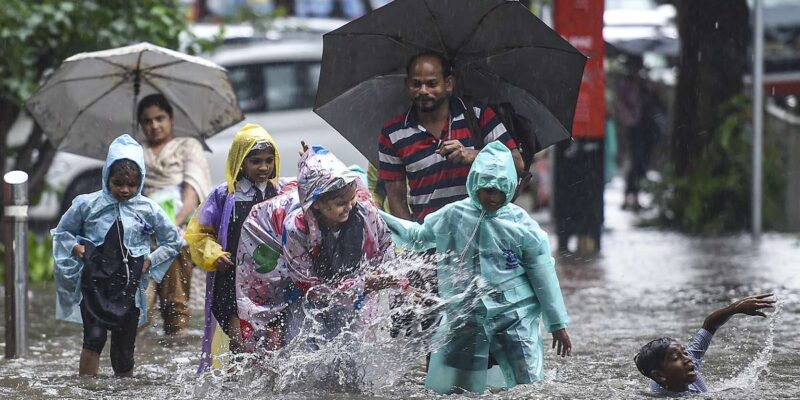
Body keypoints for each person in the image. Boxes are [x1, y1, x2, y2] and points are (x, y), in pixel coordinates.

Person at [379, 141, 572, 394]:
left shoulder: (522, 226)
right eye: (486, 190)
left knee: (529, 388)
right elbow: (417, 236)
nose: (492, 198)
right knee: (453, 388)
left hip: (513, 316)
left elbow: (543, 274)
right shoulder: (454, 215)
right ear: (474, 185)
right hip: (467, 315)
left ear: (511, 188)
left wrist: (557, 324)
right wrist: (375, 215)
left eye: (499, 191)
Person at [236, 144, 398, 350]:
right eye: (341, 203)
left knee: (351, 334)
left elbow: (385, 246)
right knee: (291, 331)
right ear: (317, 204)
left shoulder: (363, 210)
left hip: (325, 257)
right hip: (269, 243)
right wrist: (362, 285)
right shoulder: (296, 228)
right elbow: (309, 288)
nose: (349, 206)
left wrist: (399, 283)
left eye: (351, 200)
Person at [53, 134, 181, 377]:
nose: (125, 190)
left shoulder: (148, 208)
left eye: (131, 185)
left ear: (140, 181)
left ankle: (124, 390)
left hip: (129, 287)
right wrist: (76, 248)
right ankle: (87, 389)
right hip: (94, 285)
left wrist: (150, 261)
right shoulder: (86, 204)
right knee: (93, 339)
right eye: (118, 183)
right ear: (106, 178)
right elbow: (62, 232)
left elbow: (173, 241)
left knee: (124, 351)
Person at [184, 124, 292, 372]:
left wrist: (308, 160)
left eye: (268, 161)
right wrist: (213, 254)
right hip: (231, 282)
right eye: (255, 161)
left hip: (271, 282)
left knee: (273, 346)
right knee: (240, 344)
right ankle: (235, 387)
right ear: (240, 162)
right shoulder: (223, 196)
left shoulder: (282, 192)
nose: (264, 167)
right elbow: (198, 234)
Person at [378, 52, 524, 223]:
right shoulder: (392, 134)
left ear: (448, 84)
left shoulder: (478, 115)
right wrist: (412, 239)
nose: (423, 91)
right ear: (407, 84)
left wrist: (476, 156)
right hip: (430, 240)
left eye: (432, 84)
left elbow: (517, 163)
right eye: (416, 84)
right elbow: (396, 199)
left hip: (484, 233)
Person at [137, 93, 212, 336]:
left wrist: (170, 226)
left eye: (160, 118)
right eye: (147, 121)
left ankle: (176, 339)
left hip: (178, 230)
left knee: (175, 304)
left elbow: (193, 192)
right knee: (138, 310)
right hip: (141, 234)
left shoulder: (187, 147)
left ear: (171, 119)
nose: (154, 125)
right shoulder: (136, 153)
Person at [635, 293, 776, 395]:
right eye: (676, 358)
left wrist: (734, 308)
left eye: (684, 352)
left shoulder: (691, 363)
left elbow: (709, 325)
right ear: (659, 375)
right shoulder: (661, 395)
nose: (687, 358)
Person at [613, 56, 666, 211]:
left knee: (642, 163)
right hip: (634, 127)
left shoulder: (643, 84)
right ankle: (630, 195)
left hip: (646, 128)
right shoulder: (626, 84)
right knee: (637, 161)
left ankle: (635, 196)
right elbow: (622, 106)